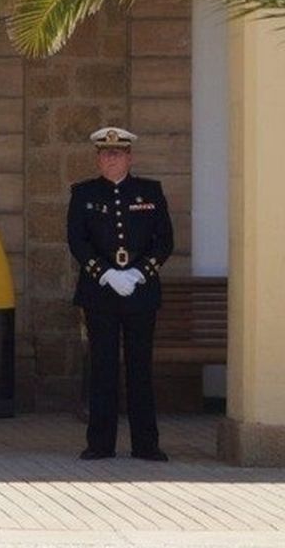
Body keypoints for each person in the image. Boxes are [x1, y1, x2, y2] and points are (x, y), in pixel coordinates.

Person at [69, 125, 173, 461]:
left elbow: (165, 241)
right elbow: (77, 241)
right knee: (102, 368)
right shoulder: (84, 194)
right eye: (104, 154)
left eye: (116, 153)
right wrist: (106, 273)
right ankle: (100, 443)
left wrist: (140, 273)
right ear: (98, 159)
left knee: (140, 368)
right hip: (101, 293)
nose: (110, 159)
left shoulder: (150, 192)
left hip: (140, 293)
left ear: (129, 157)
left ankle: (146, 444)